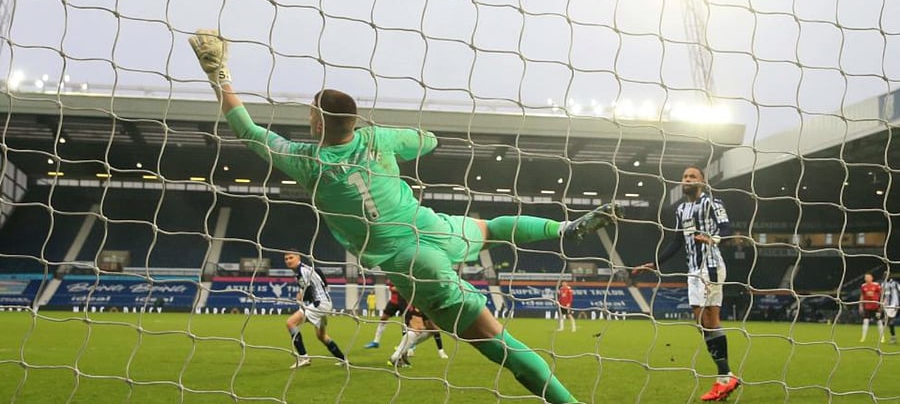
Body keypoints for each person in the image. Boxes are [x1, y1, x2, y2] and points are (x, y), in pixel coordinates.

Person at [188, 29, 621, 403]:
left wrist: (219, 74)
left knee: (497, 344)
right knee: (493, 228)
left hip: (412, 263)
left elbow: (247, 130)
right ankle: (564, 227)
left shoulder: (306, 160)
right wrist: (393, 137)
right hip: (429, 226)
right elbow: (429, 140)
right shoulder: (377, 138)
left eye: (311, 113)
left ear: (318, 123)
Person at [633, 165, 740, 402]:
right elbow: (677, 241)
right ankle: (725, 376)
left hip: (711, 266)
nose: (687, 179)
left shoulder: (712, 202)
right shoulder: (681, 209)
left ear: (702, 182)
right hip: (694, 270)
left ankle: (725, 376)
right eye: (684, 176)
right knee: (706, 322)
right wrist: (655, 263)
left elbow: (726, 227)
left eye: (692, 176)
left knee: (706, 320)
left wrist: (714, 239)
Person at [283, 250, 347, 368]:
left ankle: (304, 357)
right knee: (321, 336)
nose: (288, 261)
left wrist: (302, 296)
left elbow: (309, 289)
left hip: (319, 304)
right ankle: (343, 360)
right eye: (286, 259)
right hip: (325, 303)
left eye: (291, 258)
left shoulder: (302, 270)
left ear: (298, 258)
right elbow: (320, 281)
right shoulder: (305, 269)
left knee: (291, 323)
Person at [366, 281, 448, 357]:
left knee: (431, 327)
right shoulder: (396, 275)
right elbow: (391, 287)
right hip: (399, 301)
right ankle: (377, 342)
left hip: (417, 301)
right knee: (401, 323)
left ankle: (439, 350)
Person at [859, 272, 884, 343]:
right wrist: (860, 305)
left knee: (879, 322)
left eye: (868, 277)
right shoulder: (863, 286)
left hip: (876, 306)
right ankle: (863, 338)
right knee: (865, 321)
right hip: (867, 307)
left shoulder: (876, 285)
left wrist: (881, 304)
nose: (866, 279)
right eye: (865, 277)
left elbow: (881, 294)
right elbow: (862, 296)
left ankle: (882, 337)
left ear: (872, 278)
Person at [882, 272, 899, 344]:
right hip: (886, 305)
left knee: (890, 320)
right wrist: (881, 303)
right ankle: (893, 337)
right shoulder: (883, 284)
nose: (886, 276)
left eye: (887, 275)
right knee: (887, 321)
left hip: (894, 304)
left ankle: (893, 338)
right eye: (884, 275)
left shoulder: (895, 283)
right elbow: (882, 294)